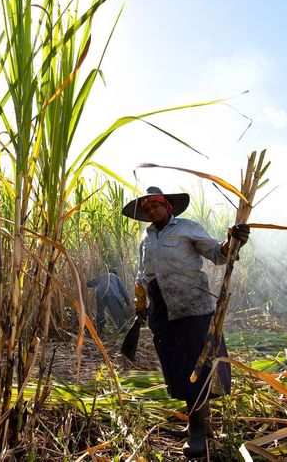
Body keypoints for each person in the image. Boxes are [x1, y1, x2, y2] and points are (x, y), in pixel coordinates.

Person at [122, 186, 249, 458]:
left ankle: (198, 431)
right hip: (161, 312)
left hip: (192, 306)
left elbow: (218, 254)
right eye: (147, 208)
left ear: (167, 206)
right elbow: (144, 274)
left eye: (156, 205)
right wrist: (141, 302)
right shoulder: (145, 238)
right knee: (176, 367)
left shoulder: (187, 228)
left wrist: (233, 241)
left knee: (198, 367)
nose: (152, 210)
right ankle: (198, 422)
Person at [86, 268, 132, 335]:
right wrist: (128, 302)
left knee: (100, 315)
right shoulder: (116, 277)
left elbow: (90, 283)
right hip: (112, 295)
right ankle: (124, 332)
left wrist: (86, 283)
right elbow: (123, 290)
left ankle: (97, 333)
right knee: (118, 315)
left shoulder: (101, 276)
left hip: (101, 296)